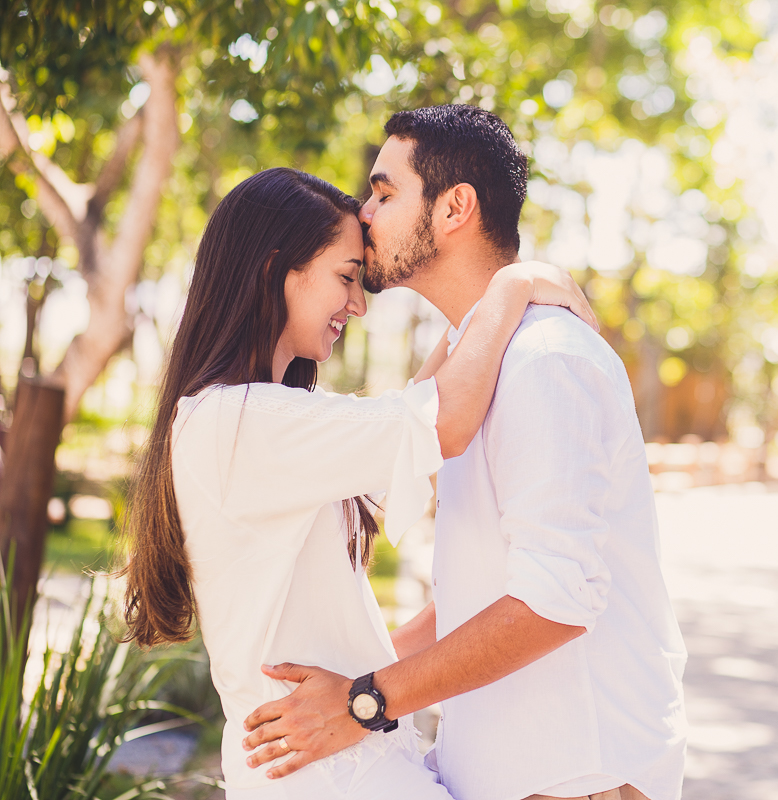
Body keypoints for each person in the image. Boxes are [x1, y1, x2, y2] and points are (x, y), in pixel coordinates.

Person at [241, 106, 688, 800]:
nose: (365, 215)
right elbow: (472, 601)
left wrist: (366, 700)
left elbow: (556, 601)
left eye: (385, 193)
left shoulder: (543, 361)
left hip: (573, 783)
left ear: (455, 208)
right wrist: (341, 690)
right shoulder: (485, 370)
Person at [119, 166, 597, 799]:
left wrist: (370, 684)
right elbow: (443, 420)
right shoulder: (238, 422)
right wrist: (514, 288)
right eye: (346, 277)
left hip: (334, 764)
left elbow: (419, 411)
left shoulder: (255, 421)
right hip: (327, 775)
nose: (358, 303)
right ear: (273, 268)